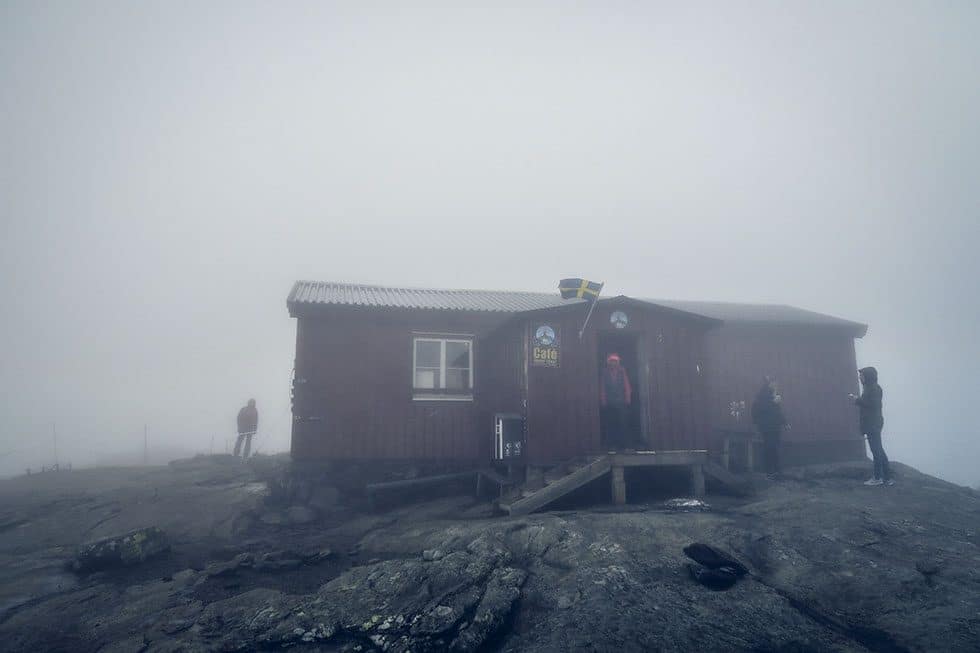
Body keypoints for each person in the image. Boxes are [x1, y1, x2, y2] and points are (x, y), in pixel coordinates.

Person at [850, 367, 891, 486]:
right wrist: (859, 399)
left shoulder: (873, 389)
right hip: (873, 423)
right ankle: (887, 478)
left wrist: (857, 400)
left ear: (868, 376)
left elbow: (873, 405)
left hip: (873, 424)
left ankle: (878, 477)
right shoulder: (871, 388)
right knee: (879, 450)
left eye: (862, 375)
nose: (860, 377)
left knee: (876, 451)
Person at [751, 377, 787, 479]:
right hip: (767, 426)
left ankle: (777, 470)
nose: (776, 385)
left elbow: (778, 411)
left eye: (777, 383)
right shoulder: (763, 394)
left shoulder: (775, 394)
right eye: (774, 383)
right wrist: (773, 401)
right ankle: (769, 470)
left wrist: (784, 422)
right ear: (770, 383)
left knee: (775, 447)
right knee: (769, 447)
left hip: (775, 426)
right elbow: (760, 408)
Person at [600, 353, 633, 451]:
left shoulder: (622, 372)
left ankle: (625, 446)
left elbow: (627, 385)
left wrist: (628, 399)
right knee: (611, 424)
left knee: (623, 423)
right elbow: (602, 388)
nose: (613, 363)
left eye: (615, 361)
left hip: (621, 402)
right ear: (609, 362)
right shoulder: (605, 372)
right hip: (610, 402)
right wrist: (603, 400)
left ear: (618, 362)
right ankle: (612, 445)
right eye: (611, 361)